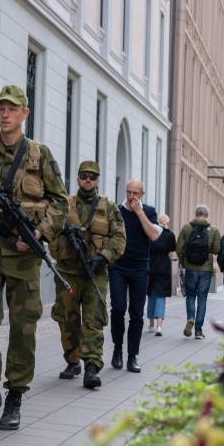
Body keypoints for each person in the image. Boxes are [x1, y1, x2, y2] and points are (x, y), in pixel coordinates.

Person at [0, 85, 68, 429]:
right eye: (1, 108)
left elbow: (60, 202)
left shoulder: (41, 155)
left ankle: (16, 395)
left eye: (12, 109)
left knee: (23, 328)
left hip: (24, 254)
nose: (5, 114)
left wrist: (38, 234)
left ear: (25, 114)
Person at [49, 161, 125, 389]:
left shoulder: (109, 207)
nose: (88, 180)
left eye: (92, 176)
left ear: (98, 179)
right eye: (84, 175)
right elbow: (50, 231)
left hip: (96, 274)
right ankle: (72, 361)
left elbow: (119, 237)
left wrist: (103, 257)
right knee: (67, 319)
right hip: (68, 272)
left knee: (93, 320)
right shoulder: (65, 204)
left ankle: (92, 366)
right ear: (78, 177)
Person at [107, 181, 161, 373]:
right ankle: (117, 349)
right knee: (118, 308)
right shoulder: (116, 210)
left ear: (142, 194)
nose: (132, 196)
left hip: (140, 268)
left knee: (137, 313)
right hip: (118, 267)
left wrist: (140, 213)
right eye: (129, 192)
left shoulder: (149, 211)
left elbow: (154, 235)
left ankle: (132, 356)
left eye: (135, 193)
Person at [175, 204, 221, 340]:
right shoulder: (213, 230)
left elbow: (179, 249)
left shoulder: (187, 228)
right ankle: (199, 331)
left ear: (196, 214)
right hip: (205, 270)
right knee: (202, 298)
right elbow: (217, 250)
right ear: (207, 215)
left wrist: (184, 262)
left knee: (190, 296)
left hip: (190, 268)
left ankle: (190, 318)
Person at [146, 214, 176, 336]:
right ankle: (159, 326)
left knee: (151, 294)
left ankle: (151, 324)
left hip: (151, 265)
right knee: (161, 296)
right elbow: (173, 248)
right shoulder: (170, 235)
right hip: (164, 266)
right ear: (167, 222)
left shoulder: (152, 233)